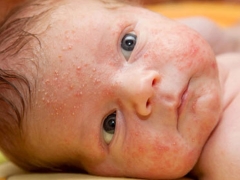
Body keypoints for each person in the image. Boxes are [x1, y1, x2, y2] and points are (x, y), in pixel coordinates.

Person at [0, 0, 240, 179]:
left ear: (143, 10)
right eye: (110, 124)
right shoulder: (230, 154)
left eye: (129, 44)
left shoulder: (202, 38)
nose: (140, 88)